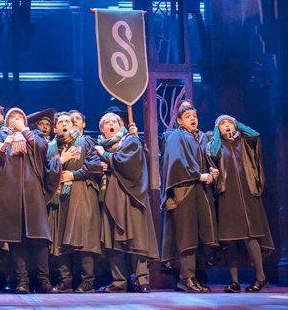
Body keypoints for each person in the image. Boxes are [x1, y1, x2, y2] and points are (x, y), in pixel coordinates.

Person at [0, 108, 60, 294]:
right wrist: (4, 146)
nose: (16, 120)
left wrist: (24, 131)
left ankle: (43, 281)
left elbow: (45, 150)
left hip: (32, 191)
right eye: (12, 117)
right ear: (6, 121)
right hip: (9, 191)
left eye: (19, 117)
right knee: (15, 238)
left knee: (40, 238)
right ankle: (22, 282)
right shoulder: (0, 135)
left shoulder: (33, 134)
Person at [95, 112, 158, 293]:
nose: (111, 124)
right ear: (102, 129)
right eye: (107, 123)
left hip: (132, 196)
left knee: (137, 238)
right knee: (114, 240)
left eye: (114, 121)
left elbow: (128, 163)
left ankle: (141, 280)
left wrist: (106, 156)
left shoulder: (130, 140)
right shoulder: (97, 146)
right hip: (111, 196)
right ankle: (119, 282)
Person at [209, 115, 274, 293]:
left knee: (250, 235)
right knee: (229, 238)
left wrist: (237, 123)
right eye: (223, 124)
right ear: (217, 129)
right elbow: (214, 154)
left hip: (248, 193)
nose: (227, 126)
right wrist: (217, 131)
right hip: (226, 193)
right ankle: (234, 282)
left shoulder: (245, 141)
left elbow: (255, 135)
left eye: (229, 123)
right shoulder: (215, 144)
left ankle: (261, 277)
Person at [160, 105, 219, 293]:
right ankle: (186, 278)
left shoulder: (200, 138)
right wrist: (197, 175)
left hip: (200, 190)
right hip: (185, 190)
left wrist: (210, 171)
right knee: (187, 234)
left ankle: (196, 277)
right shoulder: (176, 136)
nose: (193, 118)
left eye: (195, 115)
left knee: (200, 234)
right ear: (179, 121)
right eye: (187, 116)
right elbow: (176, 161)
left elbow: (204, 159)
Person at [47, 112, 103, 293]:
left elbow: (95, 165)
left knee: (84, 236)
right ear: (55, 128)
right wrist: (59, 163)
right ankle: (66, 280)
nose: (64, 124)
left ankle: (88, 280)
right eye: (60, 122)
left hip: (82, 192)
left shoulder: (85, 142)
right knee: (60, 237)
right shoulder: (51, 148)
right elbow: (43, 170)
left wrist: (73, 174)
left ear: (74, 126)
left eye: (67, 122)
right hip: (59, 198)